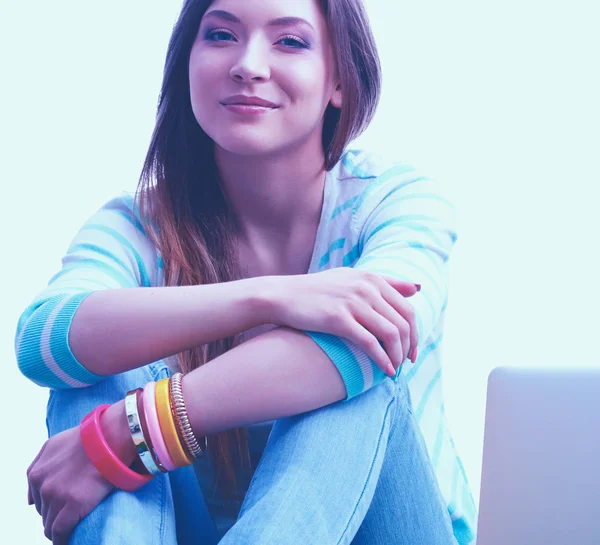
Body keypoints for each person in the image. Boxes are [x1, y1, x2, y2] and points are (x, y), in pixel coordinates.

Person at [15, 0, 478, 543]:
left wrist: (126, 433)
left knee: (361, 368)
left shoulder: (393, 200)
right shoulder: (139, 225)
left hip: (392, 529)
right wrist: (266, 297)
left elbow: (378, 336)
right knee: (93, 374)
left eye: (290, 42)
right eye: (220, 35)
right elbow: (43, 340)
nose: (248, 64)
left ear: (340, 80)